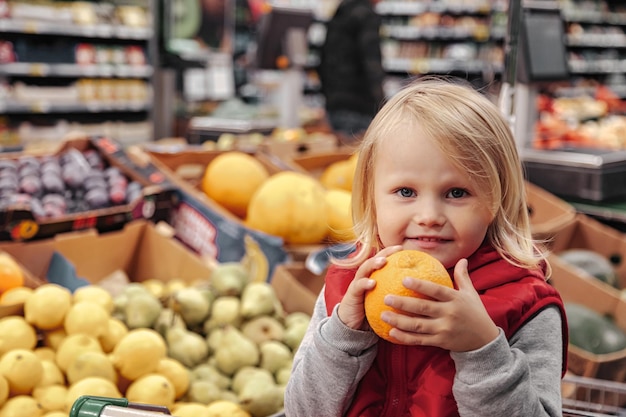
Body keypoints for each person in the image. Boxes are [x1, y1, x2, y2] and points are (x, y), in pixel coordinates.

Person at [283, 77, 568, 417]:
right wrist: (344, 335)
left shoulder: (527, 305)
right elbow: (302, 410)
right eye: (406, 192)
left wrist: (481, 350)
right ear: (371, 198)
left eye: (457, 193)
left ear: (497, 198)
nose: (429, 216)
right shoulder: (348, 287)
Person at [318, 0, 386, 145]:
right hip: (359, 105)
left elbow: (323, 59)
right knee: (358, 161)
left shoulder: (340, 11)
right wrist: (382, 106)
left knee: (342, 159)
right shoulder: (366, 15)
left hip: (335, 104)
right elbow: (371, 63)